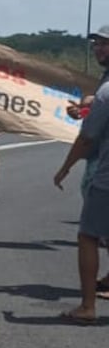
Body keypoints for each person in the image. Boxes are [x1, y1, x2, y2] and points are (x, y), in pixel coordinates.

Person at [53, 23, 109, 324]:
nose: (100, 49)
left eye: (105, 44)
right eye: (97, 44)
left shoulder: (106, 92)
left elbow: (87, 138)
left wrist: (64, 168)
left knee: (88, 235)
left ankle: (87, 306)